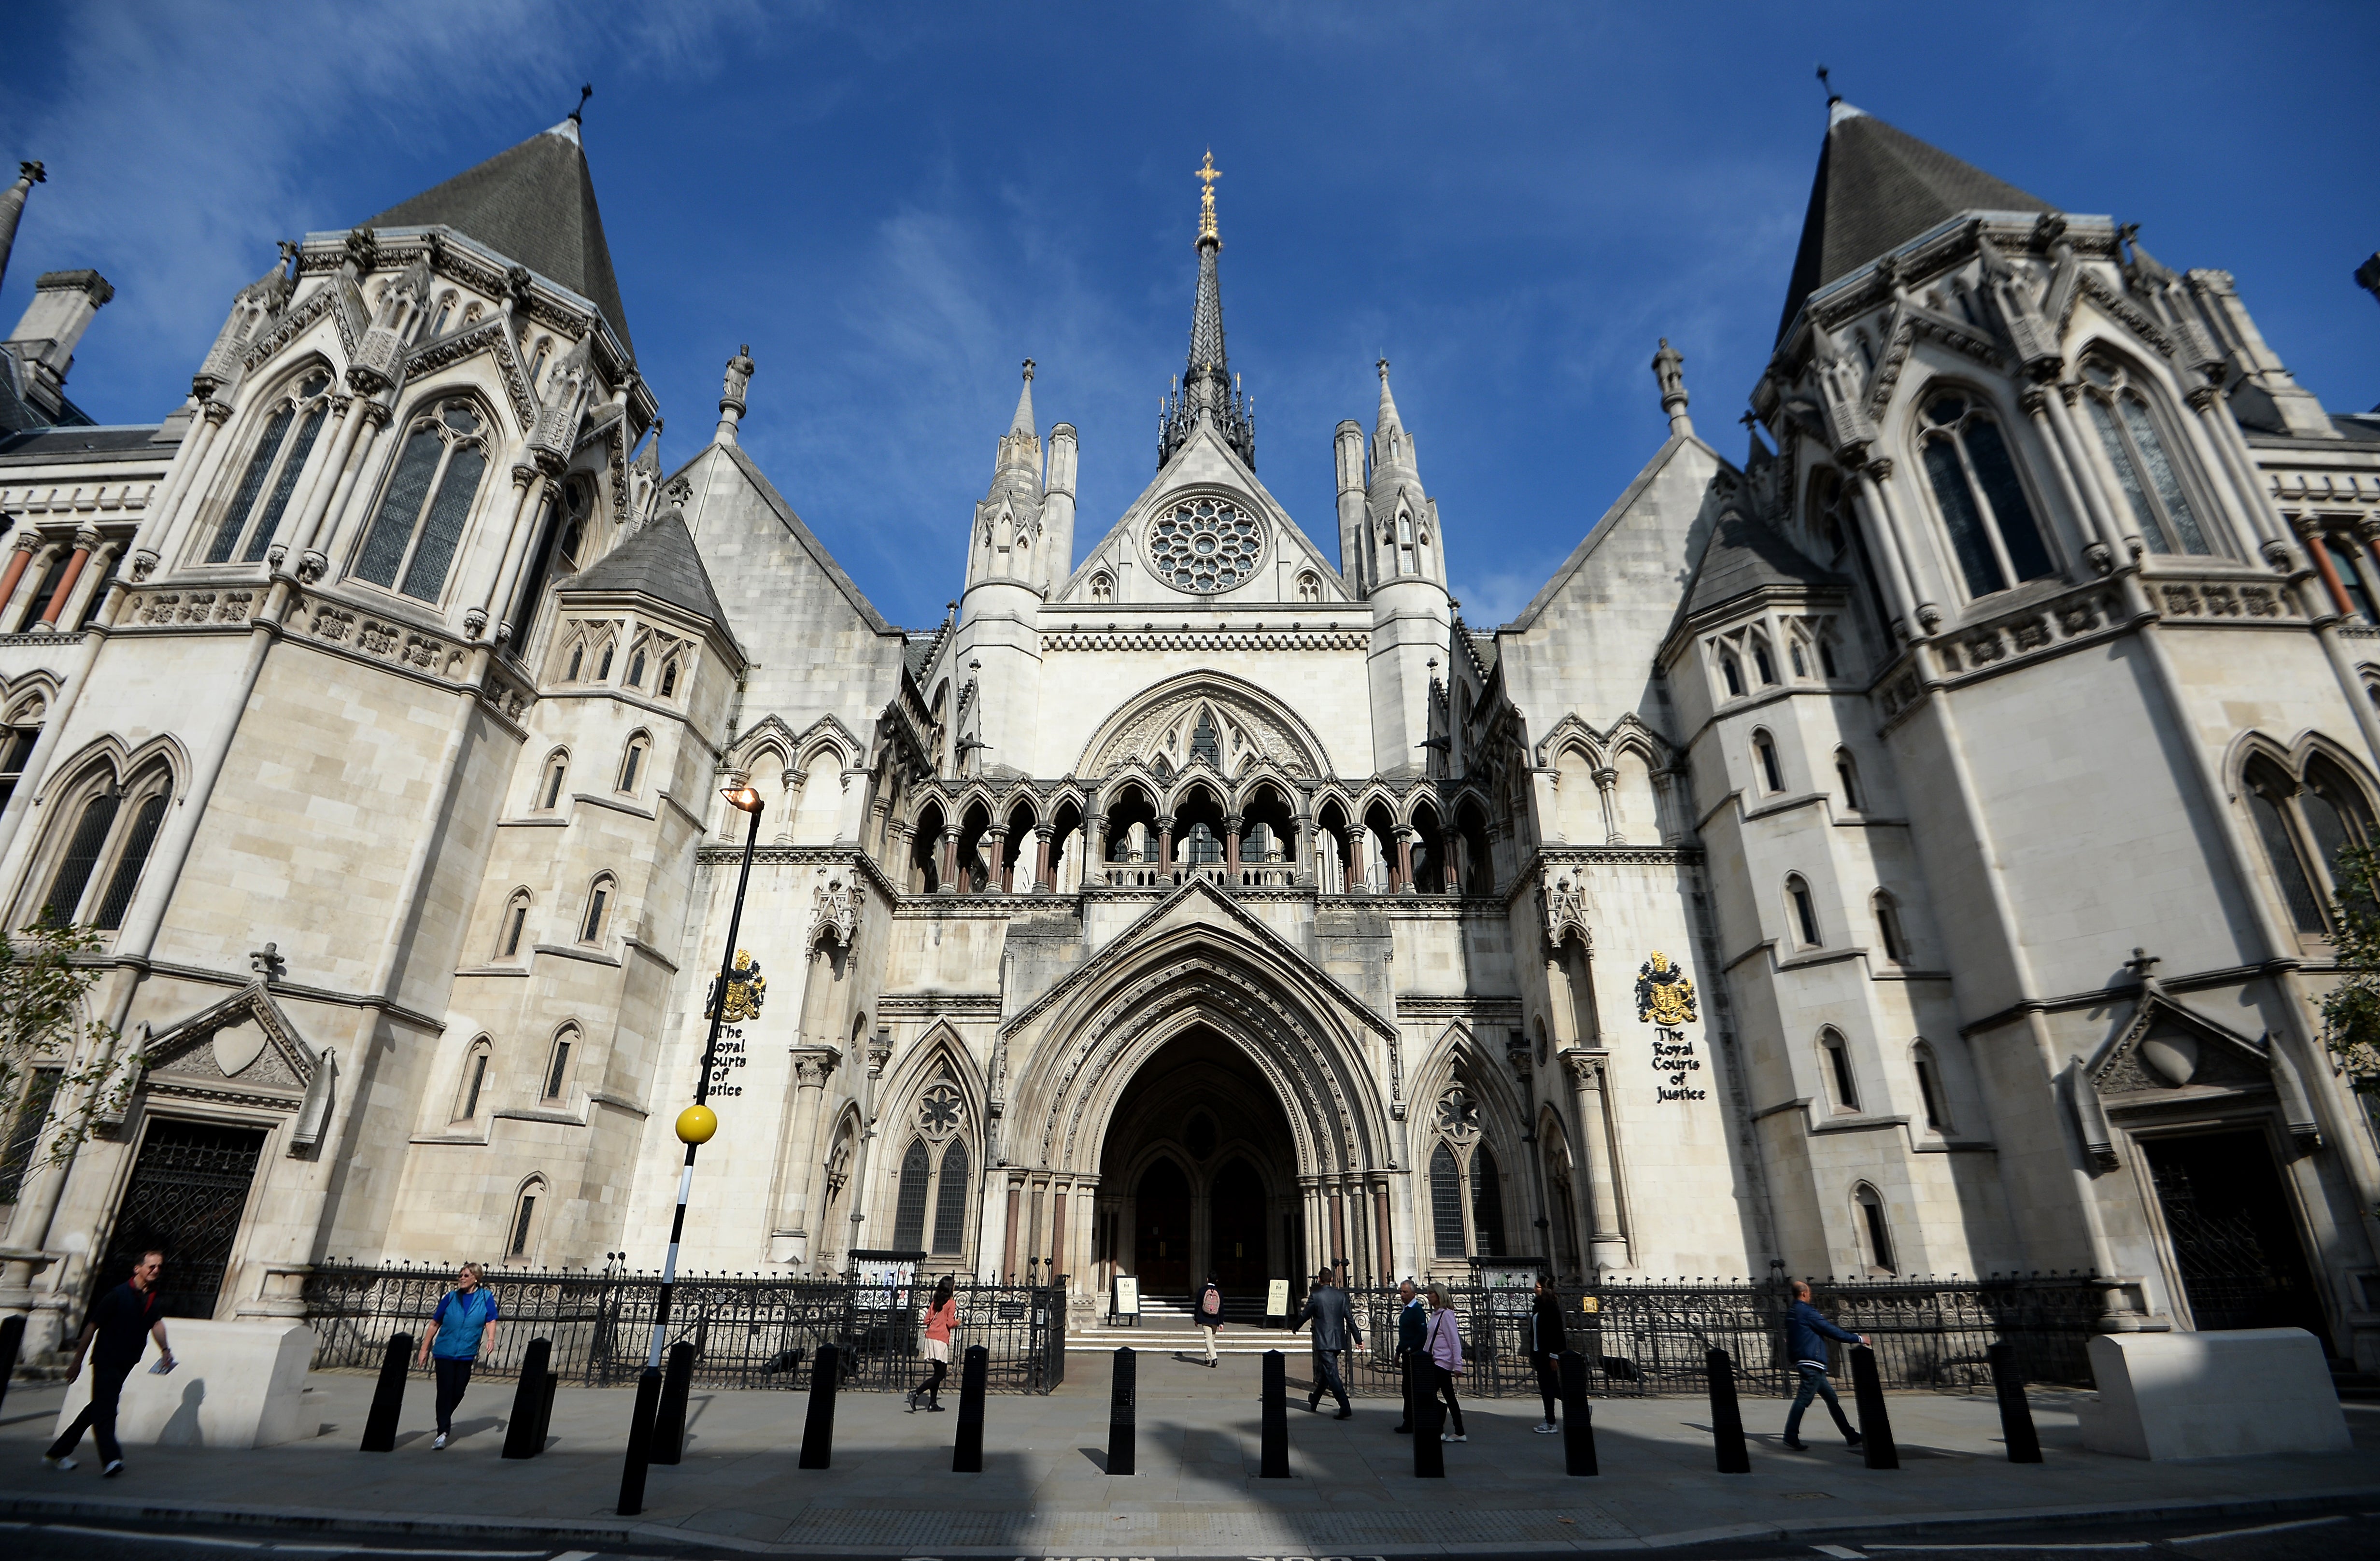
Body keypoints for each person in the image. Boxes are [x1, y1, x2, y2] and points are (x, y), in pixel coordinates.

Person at [45, 1249, 174, 1476]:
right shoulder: (117, 1295)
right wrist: (77, 1362)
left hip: (128, 1360)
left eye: (159, 1267)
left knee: (98, 1406)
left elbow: (156, 1323)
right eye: (151, 1266)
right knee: (107, 1409)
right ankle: (111, 1459)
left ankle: (58, 1452)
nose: (156, 1270)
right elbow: (91, 1327)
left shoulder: (153, 1297)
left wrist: (165, 1349)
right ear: (138, 1268)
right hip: (107, 1358)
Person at [415, 1262, 500, 1450]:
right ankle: (443, 1431)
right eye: (460, 1275)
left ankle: (443, 1415)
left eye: (466, 1275)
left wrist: (491, 1338)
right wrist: (424, 1349)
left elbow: (490, 1319)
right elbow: (434, 1324)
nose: (461, 1278)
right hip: (444, 1351)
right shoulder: (451, 1297)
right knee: (445, 1390)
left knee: (459, 1390)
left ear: (476, 1278)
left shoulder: (485, 1297)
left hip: (466, 1351)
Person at [1781, 1279, 1866, 1451]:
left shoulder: (1792, 1312)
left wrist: (1793, 1358)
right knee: (1803, 1400)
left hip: (1808, 1362)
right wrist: (1858, 1338)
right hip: (1812, 1362)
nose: (1810, 1296)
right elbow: (1831, 1330)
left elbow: (1790, 1338)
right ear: (1804, 1294)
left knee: (1832, 1400)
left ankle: (1851, 1435)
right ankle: (1790, 1435)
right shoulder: (1806, 1312)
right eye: (1810, 1294)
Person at [1291, 1266, 1361, 1419]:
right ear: (1332, 1280)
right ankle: (1315, 1399)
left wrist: (1295, 1326)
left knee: (1332, 1373)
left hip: (1324, 1341)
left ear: (1319, 1280)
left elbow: (1305, 1315)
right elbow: (1349, 1319)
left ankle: (1345, 1406)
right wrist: (1358, 1339)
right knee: (1326, 1373)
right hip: (1337, 1341)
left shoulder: (1316, 1296)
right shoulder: (1341, 1296)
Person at [1423, 1283, 1467, 1443]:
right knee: (1449, 1397)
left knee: (1427, 1395)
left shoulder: (1447, 1315)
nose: (1428, 1296)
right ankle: (1459, 1431)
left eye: (1431, 1294)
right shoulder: (1435, 1314)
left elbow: (1454, 1341)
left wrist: (1458, 1365)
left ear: (1439, 1295)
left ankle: (1440, 1428)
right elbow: (1431, 1338)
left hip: (1442, 1362)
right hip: (1435, 1360)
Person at [909, 1275, 958, 1411]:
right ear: (950, 1288)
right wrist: (957, 1322)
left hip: (931, 1338)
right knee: (941, 1374)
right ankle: (917, 1393)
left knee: (937, 1372)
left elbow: (927, 1320)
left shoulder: (935, 1302)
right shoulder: (951, 1303)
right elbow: (950, 1322)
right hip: (940, 1340)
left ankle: (932, 1403)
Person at [1528, 1273, 1565, 1434]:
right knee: (1549, 1388)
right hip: (1539, 1353)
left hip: (1548, 1355)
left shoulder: (1551, 1308)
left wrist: (1553, 1357)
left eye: (1536, 1286)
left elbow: (1557, 1334)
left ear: (1544, 1289)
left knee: (1550, 1389)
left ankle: (1550, 1422)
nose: (1534, 1289)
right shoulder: (1538, 1306)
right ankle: (1579, 1406)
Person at [1389, 1279, 1426, 1434]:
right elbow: (1404, 1335)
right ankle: (1410, 1420)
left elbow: (1422, 1334)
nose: (1402, 1295)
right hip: (1406, 1353)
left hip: (1414, 1356)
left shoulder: (1417, 1310)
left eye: (1405, 1292)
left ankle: (1411, 1421)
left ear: (1413, 1293)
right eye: (1401, 1292)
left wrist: (1411, 1349)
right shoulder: (1406, 1309)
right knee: (1407, 1389)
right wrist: (1398, 1352)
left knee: (1411, 1389)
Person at [1193, 1275, 1224, 1367]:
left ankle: (1214, 1358)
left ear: (1207, 1279)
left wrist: (1196, 1318)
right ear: (1217, 1280)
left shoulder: (1202, 1291)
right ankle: (1207, 1358)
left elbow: (1198, 1305)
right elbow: (1221, 1308)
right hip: (1215, 1318)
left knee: (1208, 1339)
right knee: (1212, 1339)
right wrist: (1221, 1322)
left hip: (1205, 1318)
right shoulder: (1219, 1292)